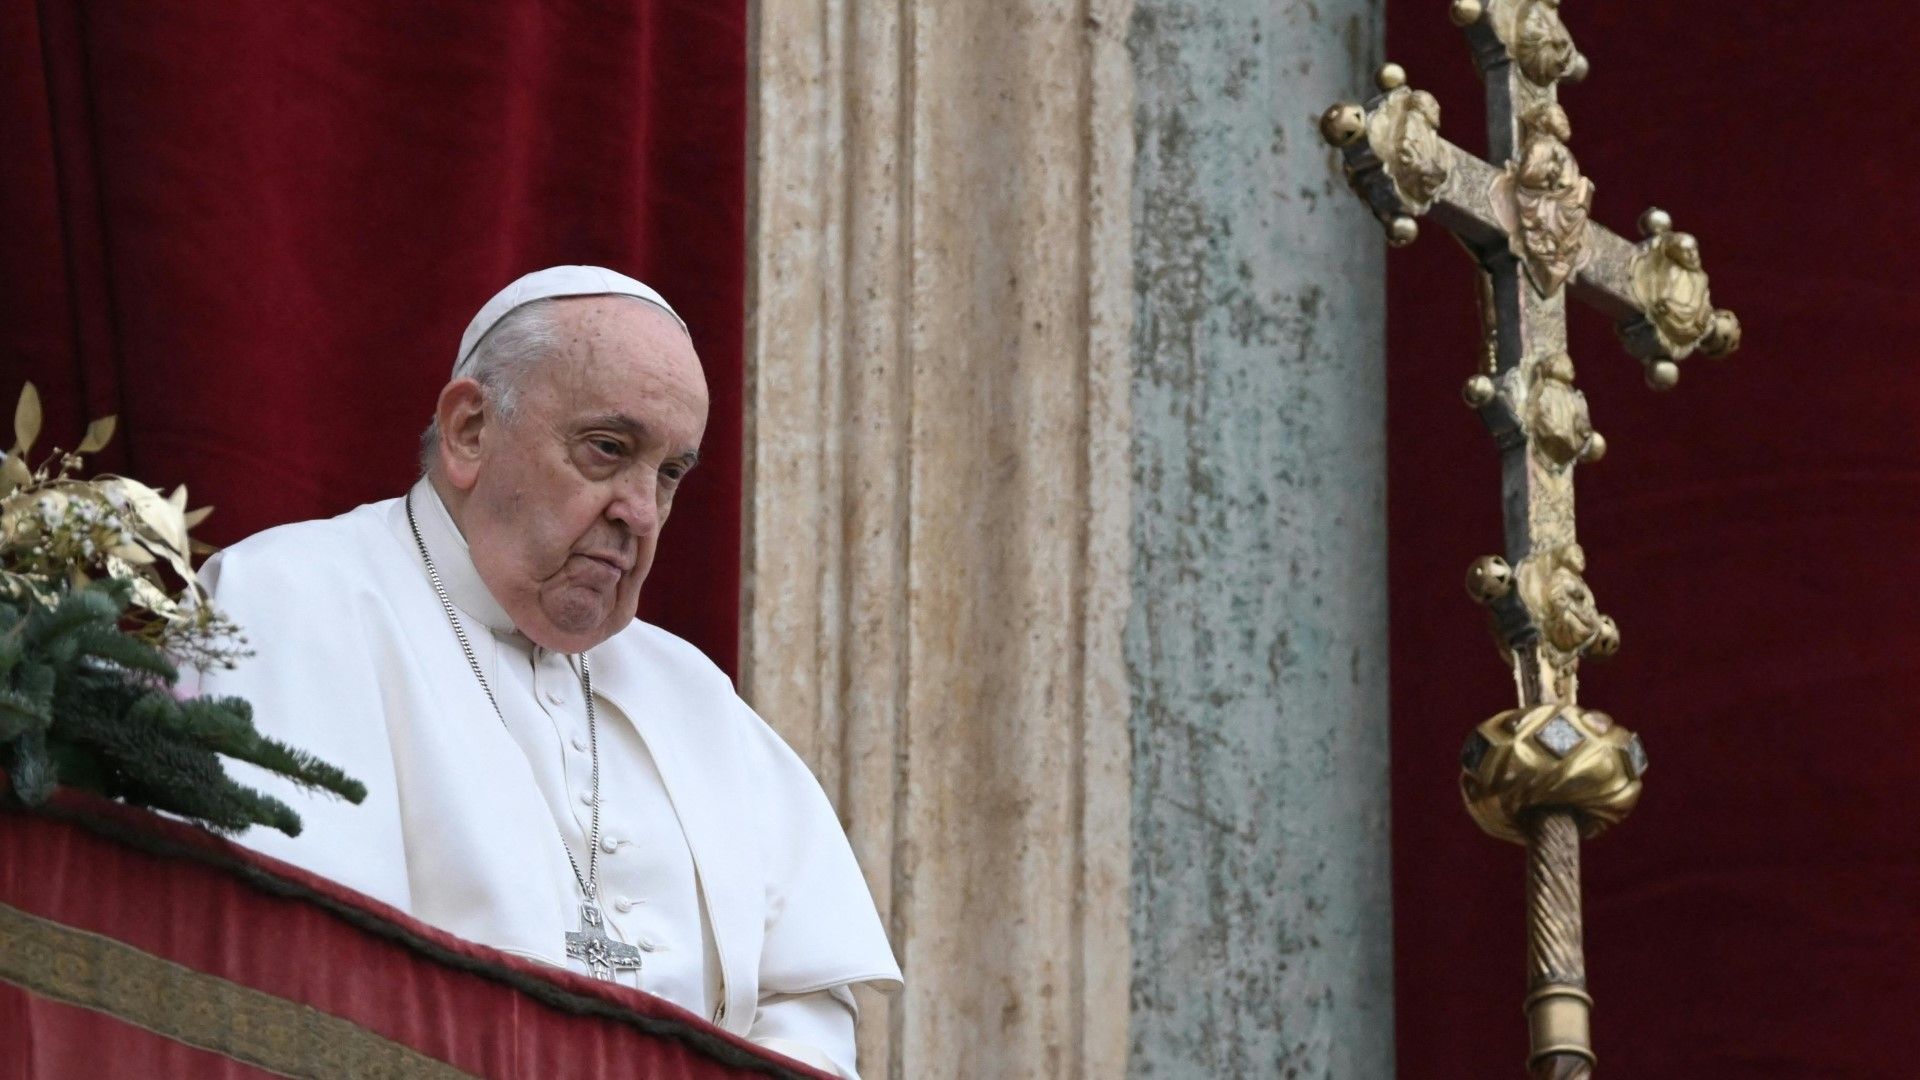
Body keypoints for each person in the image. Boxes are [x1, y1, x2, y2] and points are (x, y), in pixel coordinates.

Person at [194, 266, 899, 1078]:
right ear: (468, 430)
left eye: (669, 474)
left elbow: (806, 1010)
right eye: (608, 449)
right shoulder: (293, 601)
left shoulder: (695, 697)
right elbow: (303, 981)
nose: (640, 509)